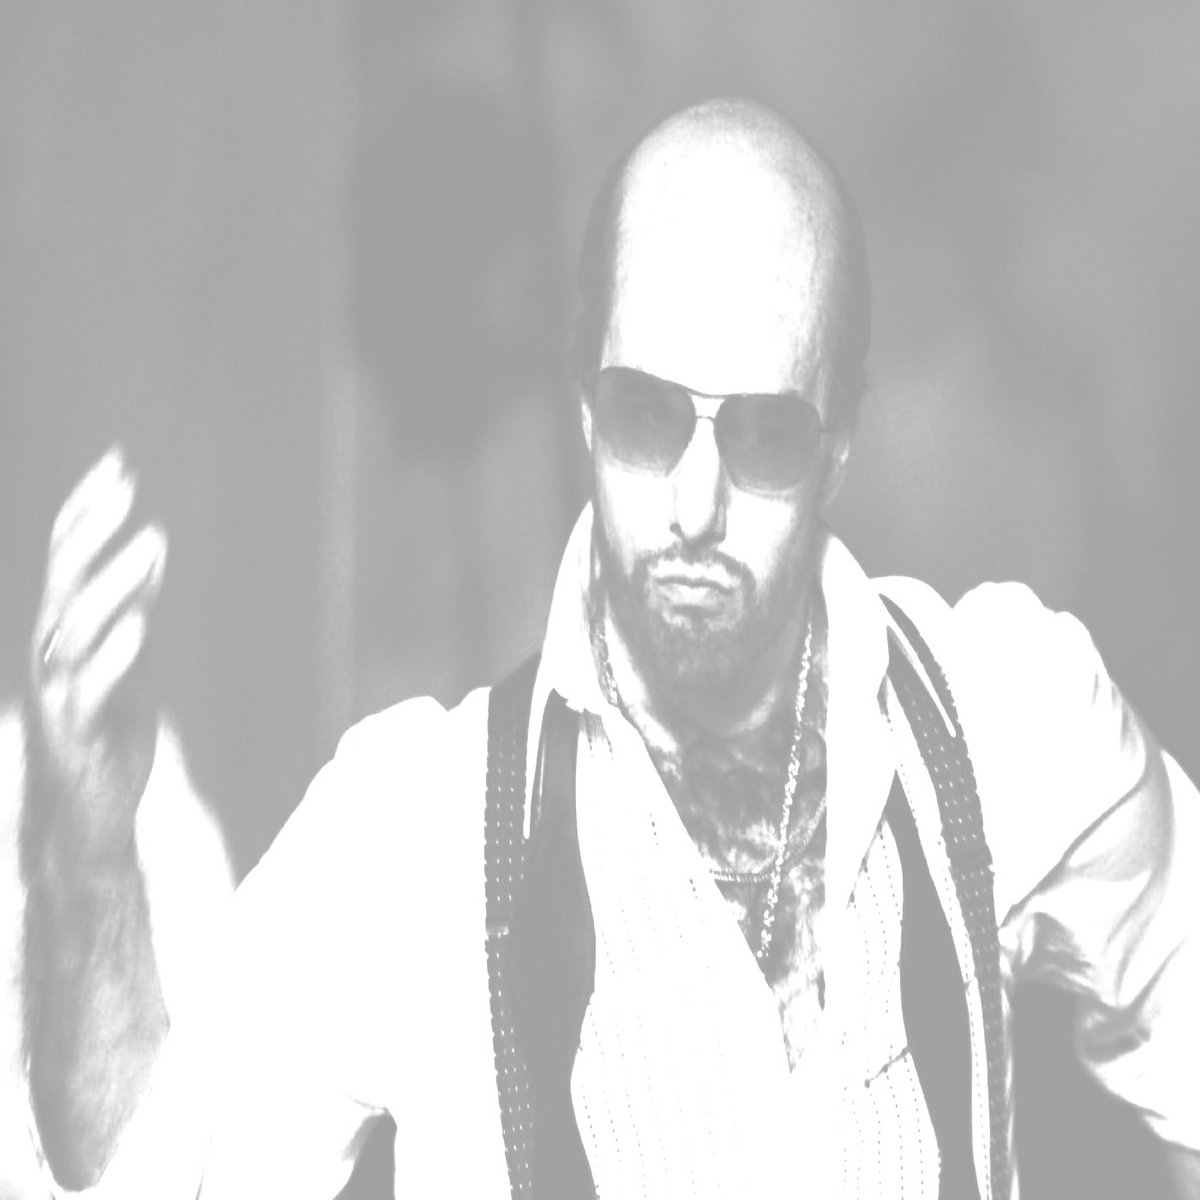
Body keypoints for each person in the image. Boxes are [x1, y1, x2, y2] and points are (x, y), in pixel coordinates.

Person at [20, 97, 1200, 1198]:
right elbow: (147, 1175)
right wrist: (89, 854)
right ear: (587, 407)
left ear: (838, 442)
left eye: (762, 434)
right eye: (648, 415)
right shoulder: (414, 833)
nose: (695, 503)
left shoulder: (1007, 724)